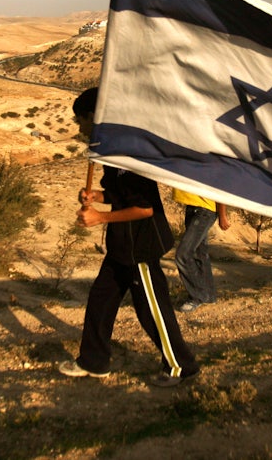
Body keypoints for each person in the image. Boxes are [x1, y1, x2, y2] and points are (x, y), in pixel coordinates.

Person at [58, 87, 200, 387]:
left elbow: (144, 208)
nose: (80, 126)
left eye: (81, 119)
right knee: (100, 300)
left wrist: (100, 217)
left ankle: (180, 366)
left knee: (152, 310)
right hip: (123, 245)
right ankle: (93, 361)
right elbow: (119, 194)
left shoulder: (128, 153)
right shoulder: (109, 150)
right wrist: (97, 195)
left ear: (95, 116)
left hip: (140, 247)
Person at [173, 190, 230, 312]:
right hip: (192, 208)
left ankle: (197, 296)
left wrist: (223, 215)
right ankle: (209, 296)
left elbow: (221, 185)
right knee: (200, 254)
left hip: (204, 211)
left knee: (183, 254)